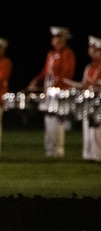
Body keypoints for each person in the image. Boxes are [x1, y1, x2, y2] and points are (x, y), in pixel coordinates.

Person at [29, 26, 76, 158]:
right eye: (55, 37)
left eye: (59, 37)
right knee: (48, 120)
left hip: (59, 93)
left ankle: (58, 150)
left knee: (57, 121)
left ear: (65, 39)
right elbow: (46, 72)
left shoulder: (68, 54)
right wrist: (36, 80)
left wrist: (54, 85)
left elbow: (67, 74)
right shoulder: (51, 54)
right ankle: (49, 149)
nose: (56, 40)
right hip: (49, 92)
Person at [80, 35, 101, 162]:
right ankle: (89, 154)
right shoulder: (89, 68)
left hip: (99, 101)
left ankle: (98, 155)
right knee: (88, 127)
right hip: (89, 100)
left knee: (98, 129)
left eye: (95, 49)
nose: (91, 51)